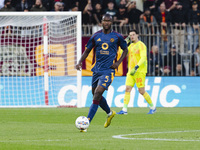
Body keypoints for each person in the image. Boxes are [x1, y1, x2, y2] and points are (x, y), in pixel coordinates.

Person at [76, 14, 128, 132]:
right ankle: (110, 113)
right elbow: (87, 51)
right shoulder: (95, 36)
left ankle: (87, 122)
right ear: (101, 22)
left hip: (109, 70)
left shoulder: (117, 37)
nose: (106, 23)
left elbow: (126, 49)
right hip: (96, 70)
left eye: (108, 21)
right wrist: (80, 62)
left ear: (111, 23)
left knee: (98, 92)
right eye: (104, 21)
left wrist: (118, 63)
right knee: (95, 94)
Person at [117, 29, 156, 115]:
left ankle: (152, 107)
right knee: (127, 89)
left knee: (141, 91)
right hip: (131, 72)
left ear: (137, 35)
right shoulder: (130, 46)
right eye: (130, 35)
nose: (132, 36)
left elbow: (143, 58)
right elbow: (120, 53)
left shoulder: (141, 45)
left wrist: (137, 66)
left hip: (139, 71)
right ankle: (124, 109)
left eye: (133, 34)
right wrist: (124, 44)